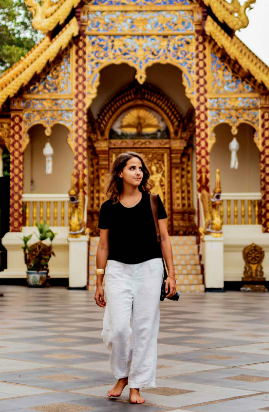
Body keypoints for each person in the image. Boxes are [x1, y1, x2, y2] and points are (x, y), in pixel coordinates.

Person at [94, 152, 177, 404]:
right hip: (118, 270)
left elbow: (164, 238)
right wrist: (99, 281)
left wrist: (171, 274)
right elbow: (103, 246)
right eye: (132, 168)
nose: (138, 172)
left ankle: (136, 384)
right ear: (120, 173)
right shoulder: (108, 207)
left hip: (149, 269)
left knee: (144, 329)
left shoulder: (153, 201)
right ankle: (122, 374)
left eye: (140, 168)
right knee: (119, 328)